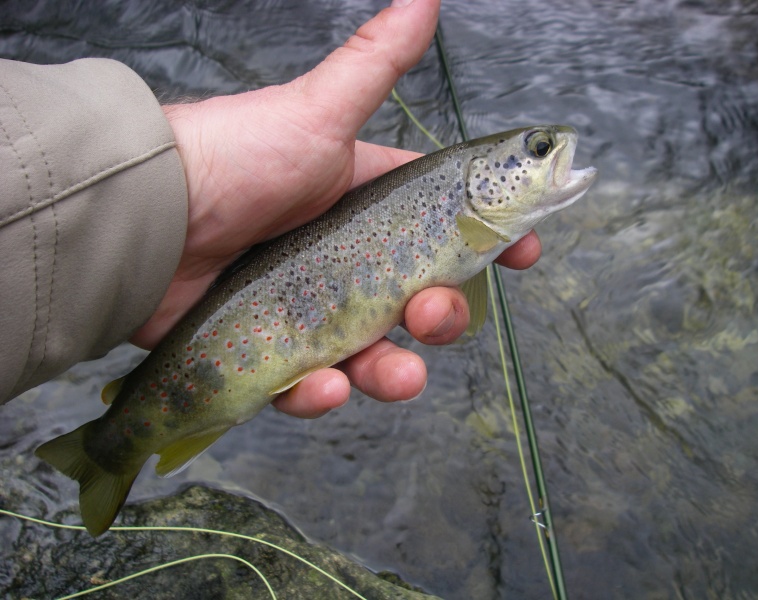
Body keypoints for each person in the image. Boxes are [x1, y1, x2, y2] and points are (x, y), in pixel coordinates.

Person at [0, 0, 541, 416]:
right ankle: (111, 446)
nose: (548, 154)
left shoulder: (483, 227)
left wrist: (166, 189)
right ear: (483, 183)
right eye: (538, 152)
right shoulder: (477, 222)